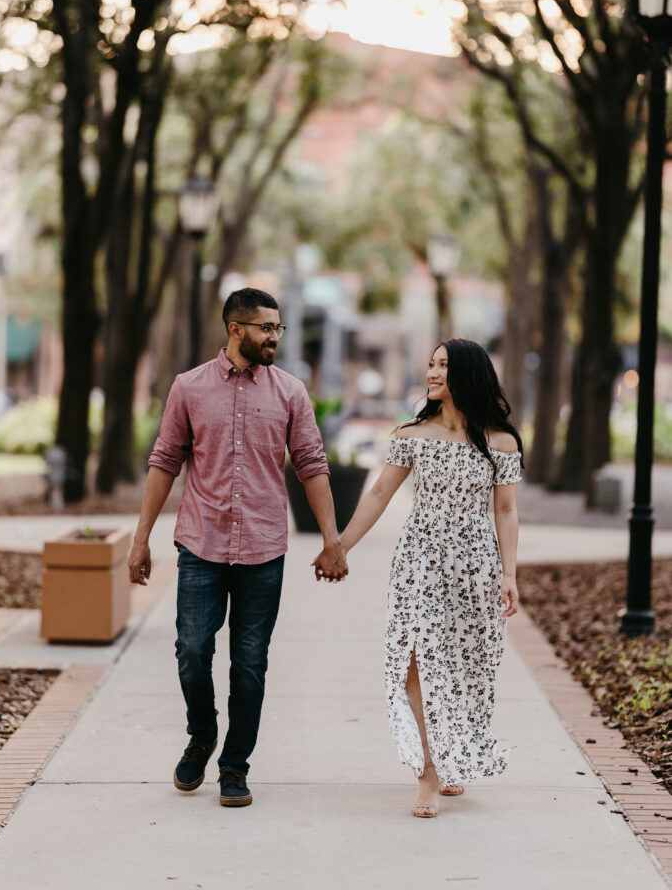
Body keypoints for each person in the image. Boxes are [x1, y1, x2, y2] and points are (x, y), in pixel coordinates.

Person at [129, 287, 347, 808]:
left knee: (250, 663)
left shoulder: (292, 393)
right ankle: (201, 734)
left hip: (264, 548)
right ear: (235, 330)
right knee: (191, 651)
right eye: (266, 328)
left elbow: (312, 466)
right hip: (201, 545)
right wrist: (142, 539)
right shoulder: (189, 388)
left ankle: (234, 766)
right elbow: (165, 462)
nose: (275, 337)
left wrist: (332, 540)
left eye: (278, 328)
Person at [315, 339, 522, 818]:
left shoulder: (500, 442)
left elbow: (507, 509)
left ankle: (455, 756)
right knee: (414, 660)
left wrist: (509, 574)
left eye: (443, 366)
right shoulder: (411, 433)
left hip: (476, 564)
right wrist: (340, 545)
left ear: (467, 374)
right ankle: (427, 772)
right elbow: (379, 494)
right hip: (420, 559)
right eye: (430, 364)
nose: (432, 373)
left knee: (469, 666)